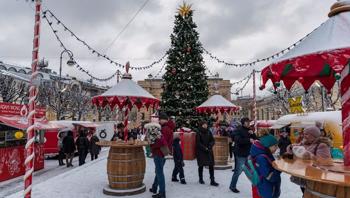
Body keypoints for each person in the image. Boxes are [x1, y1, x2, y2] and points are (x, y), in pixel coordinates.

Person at [285, 126, 332, 195]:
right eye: (304, 134)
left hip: (313, 177)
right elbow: (294, 149)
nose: (304, 136)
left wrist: (310, 156)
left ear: (314, 135)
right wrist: (291, 147)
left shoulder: (322, 145)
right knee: (304, 191)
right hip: (302, 175)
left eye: (306, 134)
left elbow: (325, 162)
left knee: (311, 193)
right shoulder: (303, 143)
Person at [230, 117, 257, 193]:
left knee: (252, 171)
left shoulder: (250, 130)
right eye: (247, 122)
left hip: (249, 154)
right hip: (241, 154)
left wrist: (253, 134)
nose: (248, 123)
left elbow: (256, 139)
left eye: (249, 121)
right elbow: (237, 140)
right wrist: (248, 140)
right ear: (243, 123)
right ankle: (232, 186)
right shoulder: (238, 130)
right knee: (238, 171)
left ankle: (255, 186)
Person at [146, 122, 167, 198]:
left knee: (160, 173)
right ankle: (154, 188)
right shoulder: (158, 131)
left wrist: (152, 146)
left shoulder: (153, 131)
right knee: (158, 172)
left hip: (158, 155)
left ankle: (162, 193)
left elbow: (160, 142)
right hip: (161, 154)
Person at [196, 120, 219, 186]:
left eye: (206, 124)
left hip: (209, 151)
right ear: (201, 125)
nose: (205, 125)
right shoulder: (198, 132)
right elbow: (198, 143)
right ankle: (201, 179)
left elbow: (212, 140)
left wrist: (210, 146)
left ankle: (212, 180)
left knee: (211, 165)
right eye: (204, 124)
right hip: (201, 152)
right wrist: (204, 148)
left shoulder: (209, 131)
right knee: (201, 165)